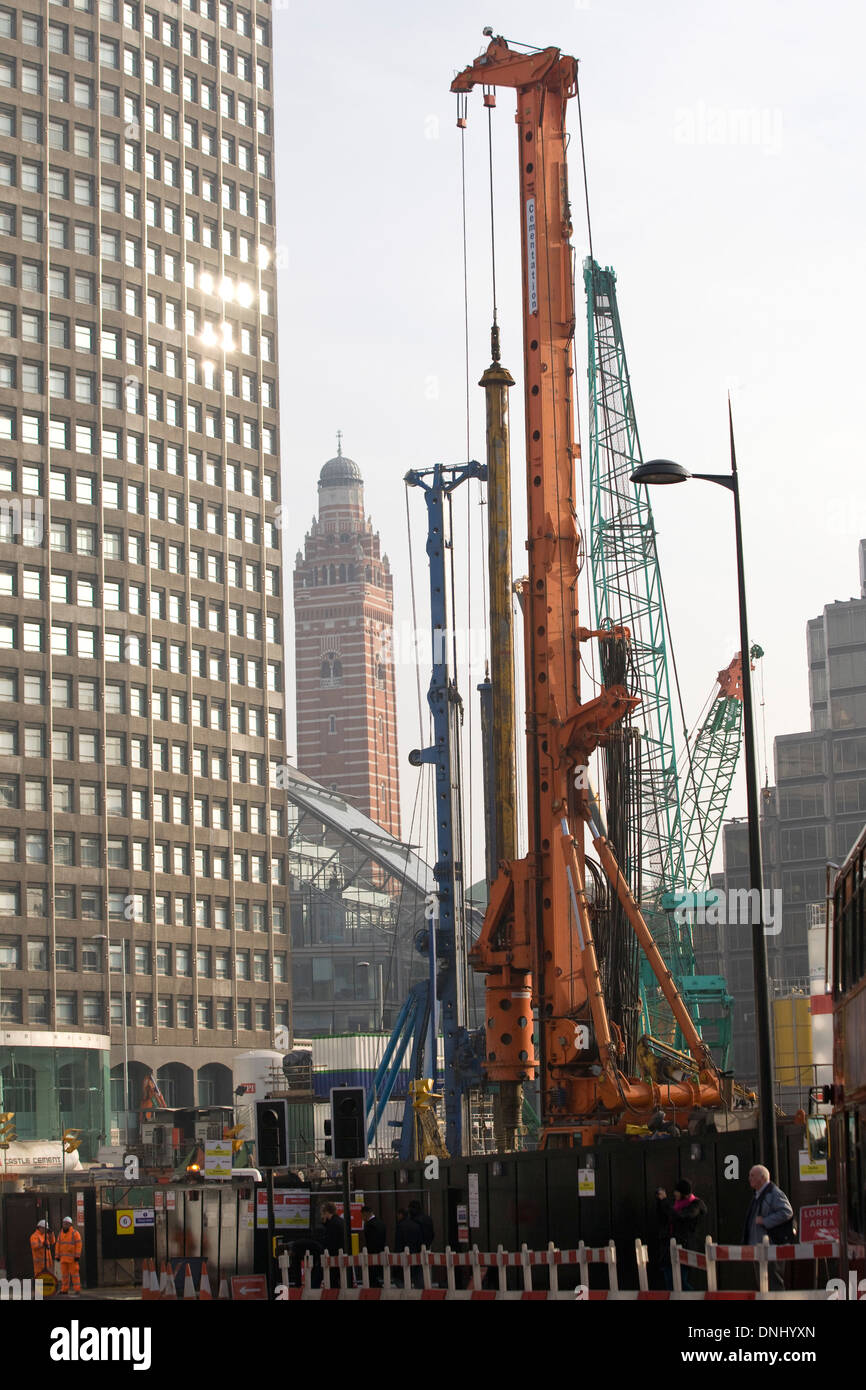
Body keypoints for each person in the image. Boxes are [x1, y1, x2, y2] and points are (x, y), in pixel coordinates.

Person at [743, 1164, 794, 1291]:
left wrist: (765, 1221)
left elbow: (786, 1212)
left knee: (773, 1281)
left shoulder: (773, 1193)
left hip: (770, 1245)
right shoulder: (758, 1195)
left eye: (752, 1175)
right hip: (758, 1246)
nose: (749, 1178)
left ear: (763, 1177)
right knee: (763, 1283)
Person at [656, 1180, 707, 1290]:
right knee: (670, 1283)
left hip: (684, 1247)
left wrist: (664, 1201)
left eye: (677, 1191)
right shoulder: (674, 1203)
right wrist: (661, 1202)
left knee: (680, 1283)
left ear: (684, 1193)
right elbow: (664, 1217)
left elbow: (679, 1217)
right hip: (667, 1248)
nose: (675, 1193)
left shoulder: (695, 1205)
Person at [395, 1206, 423, 1288]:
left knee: (401, 1277)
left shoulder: (400, 1226)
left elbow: (398, 1242)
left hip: (402, 1253)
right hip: (415, 1252)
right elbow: (420, 1240)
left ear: (401, 1215)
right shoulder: (416, 1225)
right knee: (414, 1274)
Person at [57, 1215, 82, 1296]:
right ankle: (64, 1289)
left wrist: (77, 1256)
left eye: (67, 1224)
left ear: (70, 1225)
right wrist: (57, 1256)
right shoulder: (60, 1234)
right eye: (64, 1223)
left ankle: (77, 1289)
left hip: (72, 1259)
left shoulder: (75, 1233)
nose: (65, 1225)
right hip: (63, 1259)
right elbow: (58, 1245)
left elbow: (79, 1245)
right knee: (64, 1275)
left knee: (75, 1275)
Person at [362, 1204, 387, 1287]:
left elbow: (370, 1242)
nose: (362, 1218)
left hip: (372, 1254)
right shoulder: (381, 1223)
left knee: (371, 1279)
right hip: (381, 1252)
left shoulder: (369, 1225)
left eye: (362, 1216)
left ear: (365, 1214)